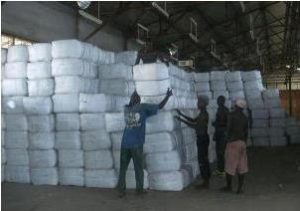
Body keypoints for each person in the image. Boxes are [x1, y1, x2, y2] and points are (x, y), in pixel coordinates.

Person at [117, 88, 173, 197]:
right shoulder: (143, 107)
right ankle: (139, 190)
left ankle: (121, 190)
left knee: (123, 168)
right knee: (138, 167)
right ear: (138, 99)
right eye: (138, 97)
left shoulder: (126, 109)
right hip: (136, 144)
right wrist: (168, 96)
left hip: (125, 143)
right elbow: (160, 106)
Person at [175, 96, 210, 189]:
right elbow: (194, 120)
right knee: (204, 159)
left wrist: (181, 120)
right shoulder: (202, 113)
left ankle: (205, 182)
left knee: (202, 160)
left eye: (199, 102)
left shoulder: (203, 114)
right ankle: (206, 179)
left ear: (203, 104)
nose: (197, 104)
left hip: (202, 138)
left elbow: (196, 126)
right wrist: (181, 115)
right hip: (203, 138)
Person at [221, 98, 249, 194]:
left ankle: (229, 187)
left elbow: (228, 130)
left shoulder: (231, 115)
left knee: (230, 166)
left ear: (236, 106)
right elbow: (246, 133)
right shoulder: (245, 118)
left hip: (233, 143)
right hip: (242, 143)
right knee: (242, 166)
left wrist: (225, 141)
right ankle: (240, 189)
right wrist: (244, 143)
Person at [212, 96, 229, 176]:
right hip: (221, 133)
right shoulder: (222, 109)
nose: (218, 102)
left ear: (223, 101)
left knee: (221, 153)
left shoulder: (223, 110)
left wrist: (215, 124)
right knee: (219, 153)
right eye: (218, 100)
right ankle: (220, 170)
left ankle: (222, 171)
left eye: (220, 100)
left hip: (222, 134)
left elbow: (223, 122)